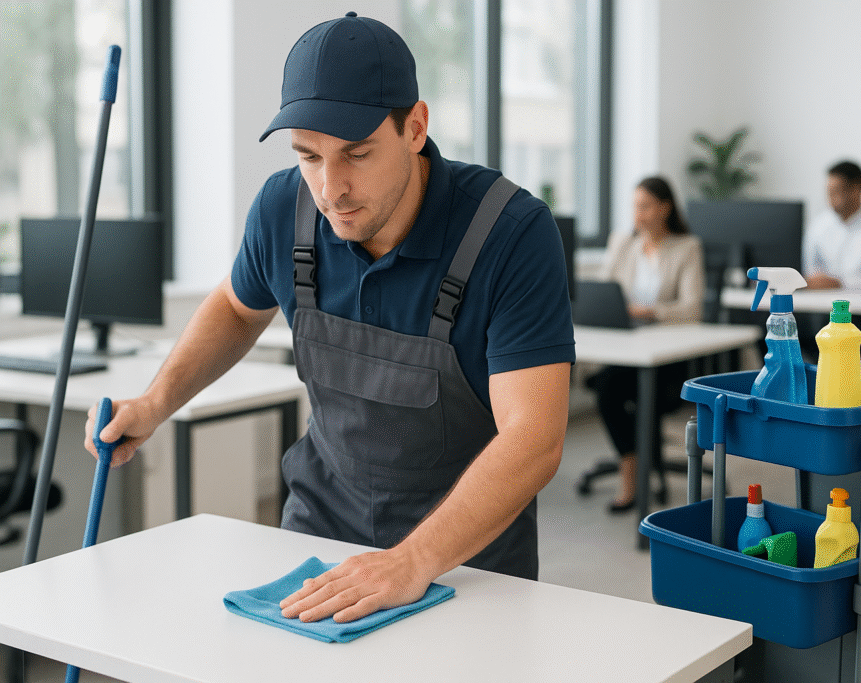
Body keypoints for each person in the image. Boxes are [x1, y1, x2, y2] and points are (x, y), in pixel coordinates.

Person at [84, 13, 574, 624]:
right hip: (318, 540)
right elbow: (237, 310)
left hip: (465, 567)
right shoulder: (282, 211)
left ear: (416, 127)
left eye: (357, 154)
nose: (330, 188)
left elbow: (534, 441)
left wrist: (410, 563)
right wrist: (155, 402)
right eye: (308, 156)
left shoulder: (510, 233)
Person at [585, 176, 704, 513]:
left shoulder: (686, 247)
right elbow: (604, 293)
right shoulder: (623, 244)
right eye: (635, 206)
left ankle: (631, 473)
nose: (638, 213)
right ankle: (633, 462)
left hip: (666, 353)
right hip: (627, 346)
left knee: (612, 390)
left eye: (645, 206)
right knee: (609, 388)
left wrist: (650, 311)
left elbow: (692, 308)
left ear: (665, 208)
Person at [802, 160, 861, 291]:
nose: (830, 198)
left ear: (856, 189)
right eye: (828, 192)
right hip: (823, 306)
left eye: (836, 192)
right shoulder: (818, 225)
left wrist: (837, 284)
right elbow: (812, 274)